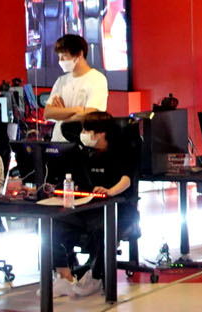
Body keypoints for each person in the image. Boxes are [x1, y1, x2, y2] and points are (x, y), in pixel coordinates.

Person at [36, 111, 134, 298]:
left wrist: (110, 191)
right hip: (87, 208)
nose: (83, 134)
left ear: (101, 133)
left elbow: (127, 179)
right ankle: (64, 276)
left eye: (87, 130)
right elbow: (72, 178)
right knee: (51, 224)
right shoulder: (84, 154)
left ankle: (96, 277)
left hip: (117, 209)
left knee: (101, 228)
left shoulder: (122, 152)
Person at [44, 34, 108, 142]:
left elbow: (89, 115)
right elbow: (48, 113)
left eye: (64, 56)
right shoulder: (61, 81)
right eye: (59, 56)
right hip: (57, 141)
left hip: (82, 142)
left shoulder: (97, 79)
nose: (60, 60)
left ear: (79, 54)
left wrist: (61, 115)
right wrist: (76, 110)